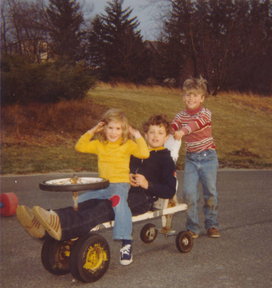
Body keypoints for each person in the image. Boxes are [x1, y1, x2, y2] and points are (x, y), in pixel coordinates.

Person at [17, 114, 177, 265]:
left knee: (104, 207)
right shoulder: (134, 152)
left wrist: (147, 184)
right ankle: (48, 221)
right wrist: (127, 175)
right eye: (152, 132)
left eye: (160, 133)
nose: (155, 136)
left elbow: (170, 190)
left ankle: (62, 225)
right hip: (120, 188)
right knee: (89, 202)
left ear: (167, 137)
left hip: (143, 198)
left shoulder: (166, 159)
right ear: (145, 134)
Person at [172, 76, 220, 239]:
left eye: (195, 95)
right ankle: (193, 227)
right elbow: (173, 125)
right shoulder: (180, 115)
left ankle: (212, 224)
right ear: (183, 97)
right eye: (188, 95)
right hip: (191, 159)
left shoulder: (206, 113)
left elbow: (195, 124)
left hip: (208, 158)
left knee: (210, 192)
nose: (191, 98)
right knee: (189, 193)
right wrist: (169, 132)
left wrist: (182, 132)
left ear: (202, 98)